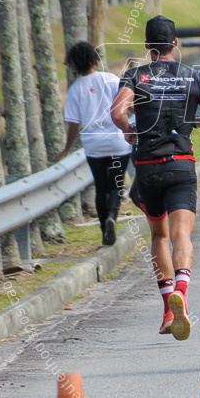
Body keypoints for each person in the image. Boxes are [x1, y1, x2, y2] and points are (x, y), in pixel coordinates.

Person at [111, 16, 200, 341]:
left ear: (147, 47)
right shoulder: (195, 76)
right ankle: (182, 295)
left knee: (158, 236)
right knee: (181, 235)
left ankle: (167, 308)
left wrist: (130, 131)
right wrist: (192, 123)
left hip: (147, 167)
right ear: (176, 43)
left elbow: (117, 113)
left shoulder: (134, 76)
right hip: (181, 165)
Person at [55, 41, 133, 247]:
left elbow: (73, 124)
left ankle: (103, 231)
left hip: (94, 146)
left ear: (74, 65)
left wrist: (66, 148)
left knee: (101, 187)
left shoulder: (74, 90)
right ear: (94, 59)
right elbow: (129, 107)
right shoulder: (111, 79)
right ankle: (112, 219)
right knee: (117, 185)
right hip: (118, 142)